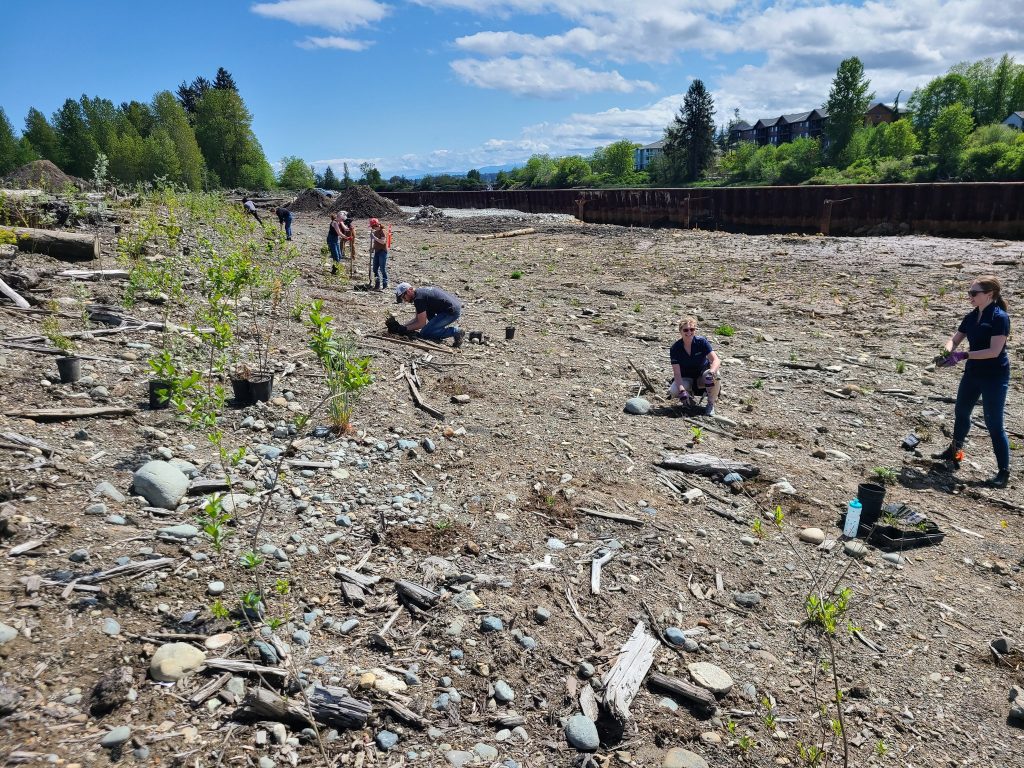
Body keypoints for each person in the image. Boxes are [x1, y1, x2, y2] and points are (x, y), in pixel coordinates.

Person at [932, 275, 1011, 488]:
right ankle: (955, 453)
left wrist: (963, 356)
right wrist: (946, 352)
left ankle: (1003, 472)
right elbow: (955, 338)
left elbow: (994, 351)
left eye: (974, 293)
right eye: (969, 293)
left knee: (994, 423)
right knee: (961, 412)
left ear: (990, 294)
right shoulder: (972, 316)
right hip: (973, 374)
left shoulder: (999, 317)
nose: (970, 297)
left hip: (994, 376)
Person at [668, 316, 722, 416]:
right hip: (687, 378)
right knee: (674, 390)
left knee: (716, 374)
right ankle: (688, 399)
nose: (689, 332)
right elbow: (677, 373)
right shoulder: (675, 348)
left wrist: (712, 372)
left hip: (702, 377)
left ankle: (710, 404)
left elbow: (716, 360)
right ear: (680, 331)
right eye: (686, 330)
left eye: (692, 329)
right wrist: (681, 390)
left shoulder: (701, 342)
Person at [394, 282, 465, 347]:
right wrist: (402, 326)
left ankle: (456, 331)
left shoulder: (419, 299)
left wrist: (404, 329)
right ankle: (436, 329)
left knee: (424, 333)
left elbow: (421, 324)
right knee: (428, 317)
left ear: (409, 290)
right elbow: (417, 319)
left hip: (451, 311)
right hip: (449, 307)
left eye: (403, 297)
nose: (404, 300)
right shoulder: (419, 294)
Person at [370, 217, 389, 290]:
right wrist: (372, 248)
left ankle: (384, 284)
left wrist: (374, 237)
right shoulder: (375, 232)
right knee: (375, 269)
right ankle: (377, 284)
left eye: (372, 226)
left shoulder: (382, 231)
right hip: (377, 252)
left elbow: (383, 242)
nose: (372, 228)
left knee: (382, 269)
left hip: (382, 252)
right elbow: (376, 243)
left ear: (375, 225)